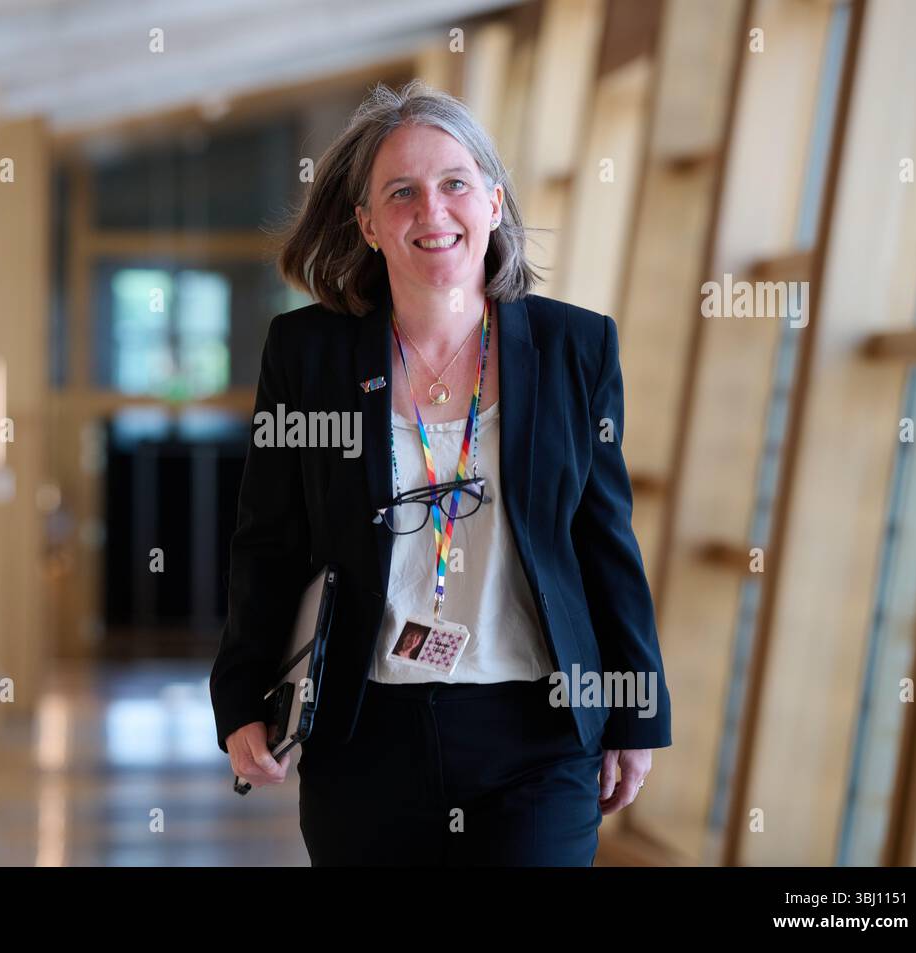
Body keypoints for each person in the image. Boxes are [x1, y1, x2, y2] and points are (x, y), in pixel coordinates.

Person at [209, 79, 672, 866]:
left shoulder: (575, 349)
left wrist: (636, 710)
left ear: (493, 203)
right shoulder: (308, 356)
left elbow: (603, 541)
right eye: (402, 193)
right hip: (366, 732)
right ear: (367, 226)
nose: (433, 211)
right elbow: (269, 542)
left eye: (455, 184)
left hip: (540, 730)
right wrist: (242, 699)